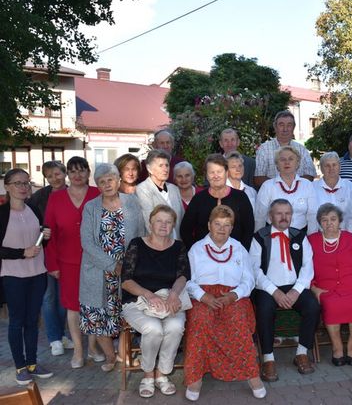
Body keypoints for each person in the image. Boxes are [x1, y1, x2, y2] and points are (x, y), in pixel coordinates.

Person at [185, 205, 265, 401]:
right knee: (200, 321)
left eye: (227, 225)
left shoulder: (239, 249)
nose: (222, 228)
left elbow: (249, 280)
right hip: (203, 297)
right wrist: (203, 296)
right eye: (217, 224)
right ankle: (195, 378)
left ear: (232, 228)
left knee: (238, 322)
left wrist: (234, 295)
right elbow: (187, 280)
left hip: (233, 297)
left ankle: (253, 376)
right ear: (209, 225)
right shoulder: (197, 249)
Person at [79, 164, 145, 372]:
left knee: (126, 314)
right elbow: (87, 242)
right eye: (102, 181)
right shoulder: (91, 207)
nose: (107, 184)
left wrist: (132, 264)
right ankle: (110, 356)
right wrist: (112, 265)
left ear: (118, 181)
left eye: (110, 179)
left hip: (128, 271)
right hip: (98, 270)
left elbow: (142, 234)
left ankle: (124, 354)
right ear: (97, 185)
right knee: (98, 317)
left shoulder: (132, 202)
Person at [121, 205, 190, 398]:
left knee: (175, 327)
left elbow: (183, 276)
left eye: (168, 222)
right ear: (150, 223)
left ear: (173, 225)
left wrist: (174, 294)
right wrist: (148, 295)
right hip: (138, 300)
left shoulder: (178, 247)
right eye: (159, 220)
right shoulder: (137, 244)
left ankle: (162, 373)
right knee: (154, 329)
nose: (163, 225)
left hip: (169, 298)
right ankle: (148, 375)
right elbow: (125, 280)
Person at [251, 199, 321, 381]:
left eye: (287, 213)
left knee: (312, 306)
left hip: (294, 286)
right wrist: (274, 292)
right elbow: (254, 270)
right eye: (279, 213)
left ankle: (302, 353)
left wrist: (296, 291)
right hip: (267, 287)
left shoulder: (299, 236)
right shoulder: (260, 237)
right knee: (264, 309)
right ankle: (268, 358)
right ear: (270, 216)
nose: (284, 217)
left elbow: (308, 266)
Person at [45, 156, 103, 369]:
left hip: (96, 262)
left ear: (88, 173)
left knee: (96, 306)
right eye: (73, 171)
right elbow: (48, 233)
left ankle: (94, 347)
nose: (77, 175)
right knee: (73, 308)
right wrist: (52, 264)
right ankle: (78, 351)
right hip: (67, 262)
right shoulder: (56, 198)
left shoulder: (98, 194)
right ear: (67, 175)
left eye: (82, 171)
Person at [1, 168, 54, 385]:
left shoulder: (33, 209)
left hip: (37, 273)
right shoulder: (2, 214)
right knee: (17, 322)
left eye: (26, 183)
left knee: (33, 321)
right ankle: (20, 366)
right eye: (18, 183)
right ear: (7, 186)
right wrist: (22, 253)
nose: (23, 187)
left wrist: (46, 237)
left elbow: (39, 244)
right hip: (13, 275)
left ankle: (32, 363)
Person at [308, 204, 352, 366]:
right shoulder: (312, 241)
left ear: (340, 221)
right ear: (319, 223)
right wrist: (314, 288)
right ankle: (337, 347)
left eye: (333, 219)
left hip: (351, 286)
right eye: (325, 220)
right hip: (325, 288)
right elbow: (305, 268)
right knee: (331, 304)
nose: (329, 223)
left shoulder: (351, 239)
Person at [28, 160, 73, 356]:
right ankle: (54, 338)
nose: (55, 178)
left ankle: (62, 334)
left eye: (58, 174)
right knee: (48, 297)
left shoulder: (74, 194)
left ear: (64, 174)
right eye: (50, 175)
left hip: (68, 252)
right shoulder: (39, 197)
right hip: (45, 252)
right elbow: (30, 222)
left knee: (65, 298)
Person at [180, 154, 254, 251]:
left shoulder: (240, 198)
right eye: (211, 172)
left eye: (219, 172)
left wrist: (241, 252)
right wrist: (196, 251)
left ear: (227, 173)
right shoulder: (198, 199)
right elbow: (185, 230)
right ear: (206, 175)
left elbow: (248, 229)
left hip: (235, 256)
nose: (216, 176)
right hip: (204, 257)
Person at [255, 146, 318, 235]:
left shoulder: (307, 185)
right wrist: (260, 238)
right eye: (282, 159)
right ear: (277, 165)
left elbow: (313, 215)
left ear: (297, 164)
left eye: (291, 159)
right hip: (273, 236)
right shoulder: (267, 186)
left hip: (301, 235)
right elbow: (260, 216)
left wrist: (312, 237)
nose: (287, 162)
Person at [254, 110, 316, 187]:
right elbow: (258, 177)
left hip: (298, 195)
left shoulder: (302, 150)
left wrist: (294, 188)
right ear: (275, 127)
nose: (285, 129)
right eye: (281, 125)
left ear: (293, 128)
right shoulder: (264, 149)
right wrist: (281, 188)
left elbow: (310, 174)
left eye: (289, 125)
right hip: (273, 196)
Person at [136, 150, 184, 239]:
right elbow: (149, 222)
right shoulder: (143, 189)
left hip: (177, 245)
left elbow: (182, 220)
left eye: (167, 165)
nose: (165, 169)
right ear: (149, 169)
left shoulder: (174, 189)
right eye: (160, 165)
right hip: (156, 246)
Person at [312, 152, 352, 227]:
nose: (331, 168)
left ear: (339, 167)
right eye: (327, 165)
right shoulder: (312, 188)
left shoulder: (350, 186)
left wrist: (351, 235)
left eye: (334, 165)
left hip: (345, 233)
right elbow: (311, 215)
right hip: (320, 233)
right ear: (321, 168)